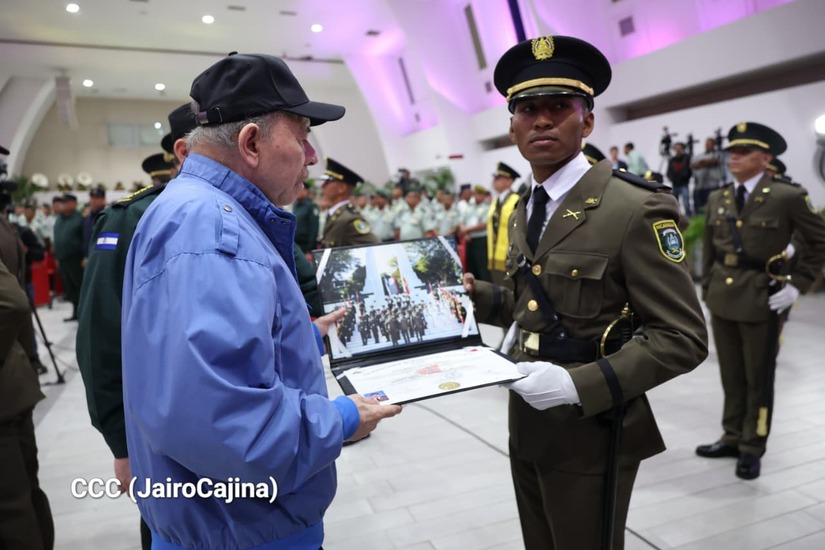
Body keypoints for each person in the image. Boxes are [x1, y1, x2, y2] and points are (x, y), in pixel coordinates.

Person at [120, 52, 401, 550]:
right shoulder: (212, 230)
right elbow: (225, 422)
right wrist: (342, 419)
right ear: (251, 143)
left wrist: (300, 334)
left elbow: (196, 363)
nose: (311, 156)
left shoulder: (195, 209)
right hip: (243, 527)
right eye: (302, 136)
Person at [463, 36, 708, 549]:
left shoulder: (633, 207)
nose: (542, 121)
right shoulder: (527, 207)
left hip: (593, 424)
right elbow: (533, 307)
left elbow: (681, 337)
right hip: (527, 416)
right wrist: (474, 293)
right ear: (512, 128)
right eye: (528, 109)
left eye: (559, 107)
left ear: (588, 121)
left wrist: (578, 386)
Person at [76, 102, 197, 550]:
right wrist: (121, 444)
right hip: (163, 438)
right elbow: (101, 338)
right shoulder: (132, 218)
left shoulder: (248, 211)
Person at [697, 122, 825, 480]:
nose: (733, 157)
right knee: (731, 374)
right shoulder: (719, 198)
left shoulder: (786, 196)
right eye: (731, 152)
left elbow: (819, 240)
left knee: (758, 377)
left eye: (743, 151)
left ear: (765, 158)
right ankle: (731, 436)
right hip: (723, 297)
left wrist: (797, 284)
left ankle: (753, 445)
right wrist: (706, 291)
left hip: (762, 297)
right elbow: (710, 251)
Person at [0, 177, 54, 550]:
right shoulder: (6, 224)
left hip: (6, 393)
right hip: (13, 380)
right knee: (24, 498)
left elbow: (12, 303)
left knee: (13, 512)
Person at [318, 157, 379, 248]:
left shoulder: (350, 219)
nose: (323, 186)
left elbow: (374, 247)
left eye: (327, 182)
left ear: (342, 188)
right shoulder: (336, 215)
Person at [487, 161, 521, 286]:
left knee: (510, 288)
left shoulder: (517, 200)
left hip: (509, 255)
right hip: (494, 255)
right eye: (495, 178)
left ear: (510, 181)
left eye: (499, 178)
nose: (495, 181)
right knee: (497, 287)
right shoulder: (495, 201)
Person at [52, 192, 84, 321]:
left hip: (76, 260)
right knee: (69, 287)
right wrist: (56, 256)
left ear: (74, 204)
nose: (64, 205)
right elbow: (57, 238)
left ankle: (82, 313)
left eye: (67, 202)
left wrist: (85, 256)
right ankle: (75, 311)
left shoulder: (79, 219)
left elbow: (85, 239)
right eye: (63, 202)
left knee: (79, 286)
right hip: (63, 259)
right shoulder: (59, 219)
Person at [690, 137, 724, 213]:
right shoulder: (699, 155)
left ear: (713, 145)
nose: (707, 145)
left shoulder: (717, 154)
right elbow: (692, 165)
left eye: (709, 144)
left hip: (713, 185)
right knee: (700, 207)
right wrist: (705, 163)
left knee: (713, 206)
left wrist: (701, 163)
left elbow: (715, 161)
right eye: (706, 144)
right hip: (700, 185)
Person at [666, 142, 693, 217]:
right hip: (675, 184)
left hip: (684, 184)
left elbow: (689, 170)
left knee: (686, 203)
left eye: (679, 148)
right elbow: (669, 172)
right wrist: (672, 178)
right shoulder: (672, 160)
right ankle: (676, 217)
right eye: (676, 148)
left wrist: (685, 177)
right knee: (674, 203)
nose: (678, 150)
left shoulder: (686, 158)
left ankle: (688, 217)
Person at [292, 180, 320, 251]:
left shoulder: (311, 206)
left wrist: (310, 249)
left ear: (306, 191)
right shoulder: (296, 205)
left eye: (300, 190)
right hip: (295, 244)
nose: (297, 192)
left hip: (305, 246)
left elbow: (314, 229)